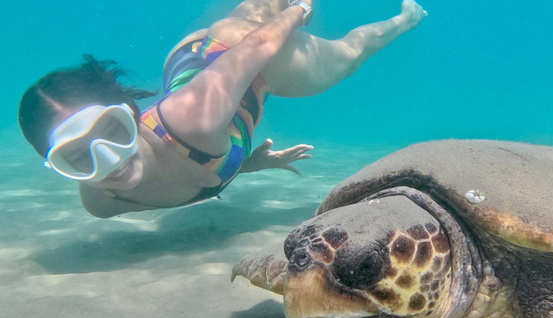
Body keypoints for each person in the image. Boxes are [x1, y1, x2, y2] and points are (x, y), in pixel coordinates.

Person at [18, 0, 427, 218]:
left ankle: (405, 18)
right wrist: (246, 163)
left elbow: (259, 48)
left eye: (110, 130)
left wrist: (299, 11)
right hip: (200, 76)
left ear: (128, 110)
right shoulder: (101, 202)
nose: (107, 161)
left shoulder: (192, 119)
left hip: (246, 60)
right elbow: (187, 175)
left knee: (345, 56)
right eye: (75, 157)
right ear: (57, 165)